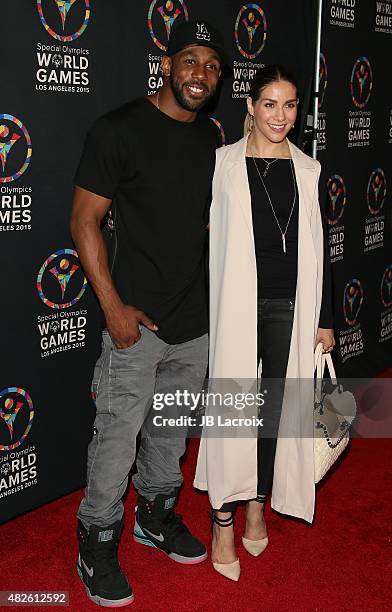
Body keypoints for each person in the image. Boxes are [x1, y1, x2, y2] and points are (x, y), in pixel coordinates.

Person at [70, 21, 225, 607]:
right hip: (136, 323)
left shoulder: (211, 137)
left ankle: (155, 518)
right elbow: (84, 221)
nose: (200, 75)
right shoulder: (118, 129)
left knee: (169, 433)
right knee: (116, 438)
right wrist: (113, 308)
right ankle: (97, 539)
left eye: (211, 66)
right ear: (166, 63)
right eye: (190, 61)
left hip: (194, 322)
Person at [194, 65, 335, 581]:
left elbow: (322, 249)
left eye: (291, 105)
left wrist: (324, 317)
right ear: (250, 106)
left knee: (273, 410)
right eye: (270, 104)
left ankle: (257, 502)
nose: (281, 116)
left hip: (289, 307)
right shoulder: (221, 165)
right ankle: (223, 520)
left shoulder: (309, 169)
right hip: (235, 304)